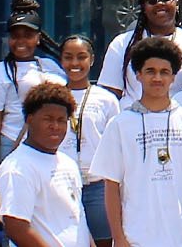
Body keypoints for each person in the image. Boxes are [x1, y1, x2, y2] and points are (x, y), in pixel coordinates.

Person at [92, 36, 182, 247]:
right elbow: (111, 186)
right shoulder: (120, 124)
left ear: (173, 77)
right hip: (135, 239)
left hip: (181, 239)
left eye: (164, 72)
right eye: (150, 71)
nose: (157, 78)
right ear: (138, 75)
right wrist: (118, 238)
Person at [0, 0, 67, 179]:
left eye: (27, 36)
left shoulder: (51, 67)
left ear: (38, 38)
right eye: (15, 36)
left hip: (51, 144)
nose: (21, 41)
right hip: (12, 144)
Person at [0, 82, 89, 247]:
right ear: (30, 119)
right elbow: (16, 228)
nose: (55, 126)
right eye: (48, 119)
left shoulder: (68, 163)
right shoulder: (17, 168)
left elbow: (78, 220)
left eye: (61, 120)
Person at [58, 35, 121, 247]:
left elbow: (115, 145)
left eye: (81, 57)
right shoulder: (53, 96)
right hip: (61, 184)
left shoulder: (106, 99)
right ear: (61, 61)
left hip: (97, 185)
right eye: (68, 57)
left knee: (103, 241)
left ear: (92, 60)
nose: (75, 64)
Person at [98, 0, 182, 106]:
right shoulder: (123, 43)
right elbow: (110, 97)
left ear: (177, 2)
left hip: (176, 121)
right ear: (143, 7)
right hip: (132, 120)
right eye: (152, 1)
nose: (160, 4)